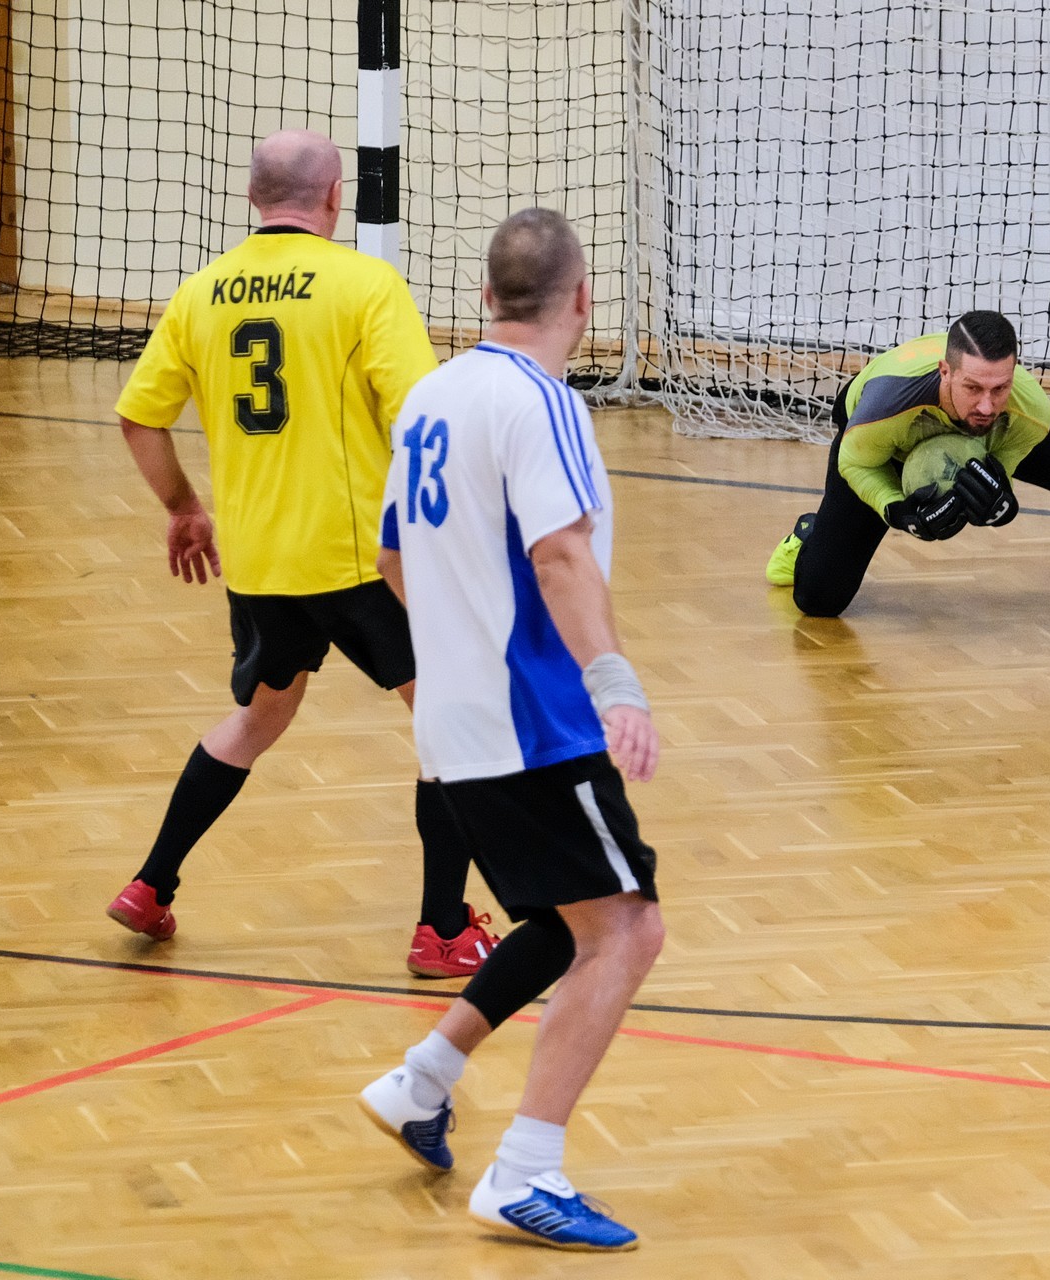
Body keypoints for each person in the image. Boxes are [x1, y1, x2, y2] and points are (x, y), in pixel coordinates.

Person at [105, 129, 496, 978]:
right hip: (360, 564)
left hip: (258, 563)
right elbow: (420, 419)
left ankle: (151, 884)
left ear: (254, 197)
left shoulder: (201, 293)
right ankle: (442, 930)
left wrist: (184, 509)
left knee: (260, 716)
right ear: (333, 197)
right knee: (454, 725)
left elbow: (139, 418)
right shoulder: (365, 284)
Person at [356, 209, 665, 1252]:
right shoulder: (544, 402)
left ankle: (422, 1078)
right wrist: (615, 685)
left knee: (563, 921)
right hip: (535, 720)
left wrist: (459, 651)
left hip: (455, 726)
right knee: (627, 929)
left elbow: (392, 559)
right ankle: (526, 1171)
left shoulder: (430, 397)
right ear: (582, 299)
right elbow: (560, 553)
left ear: (488, 295)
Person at [764, 311, 1050, 616]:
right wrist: (897, 511)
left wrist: (999, 495)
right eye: (973, 388)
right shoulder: (885, 405)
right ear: (945, 372)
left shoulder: (1025, 408)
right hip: (886, 445)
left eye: (999, 387)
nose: (987, 405)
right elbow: (856, 465)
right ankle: (811, 530)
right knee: (817, 600)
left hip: (985, 439)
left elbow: (997, 468)